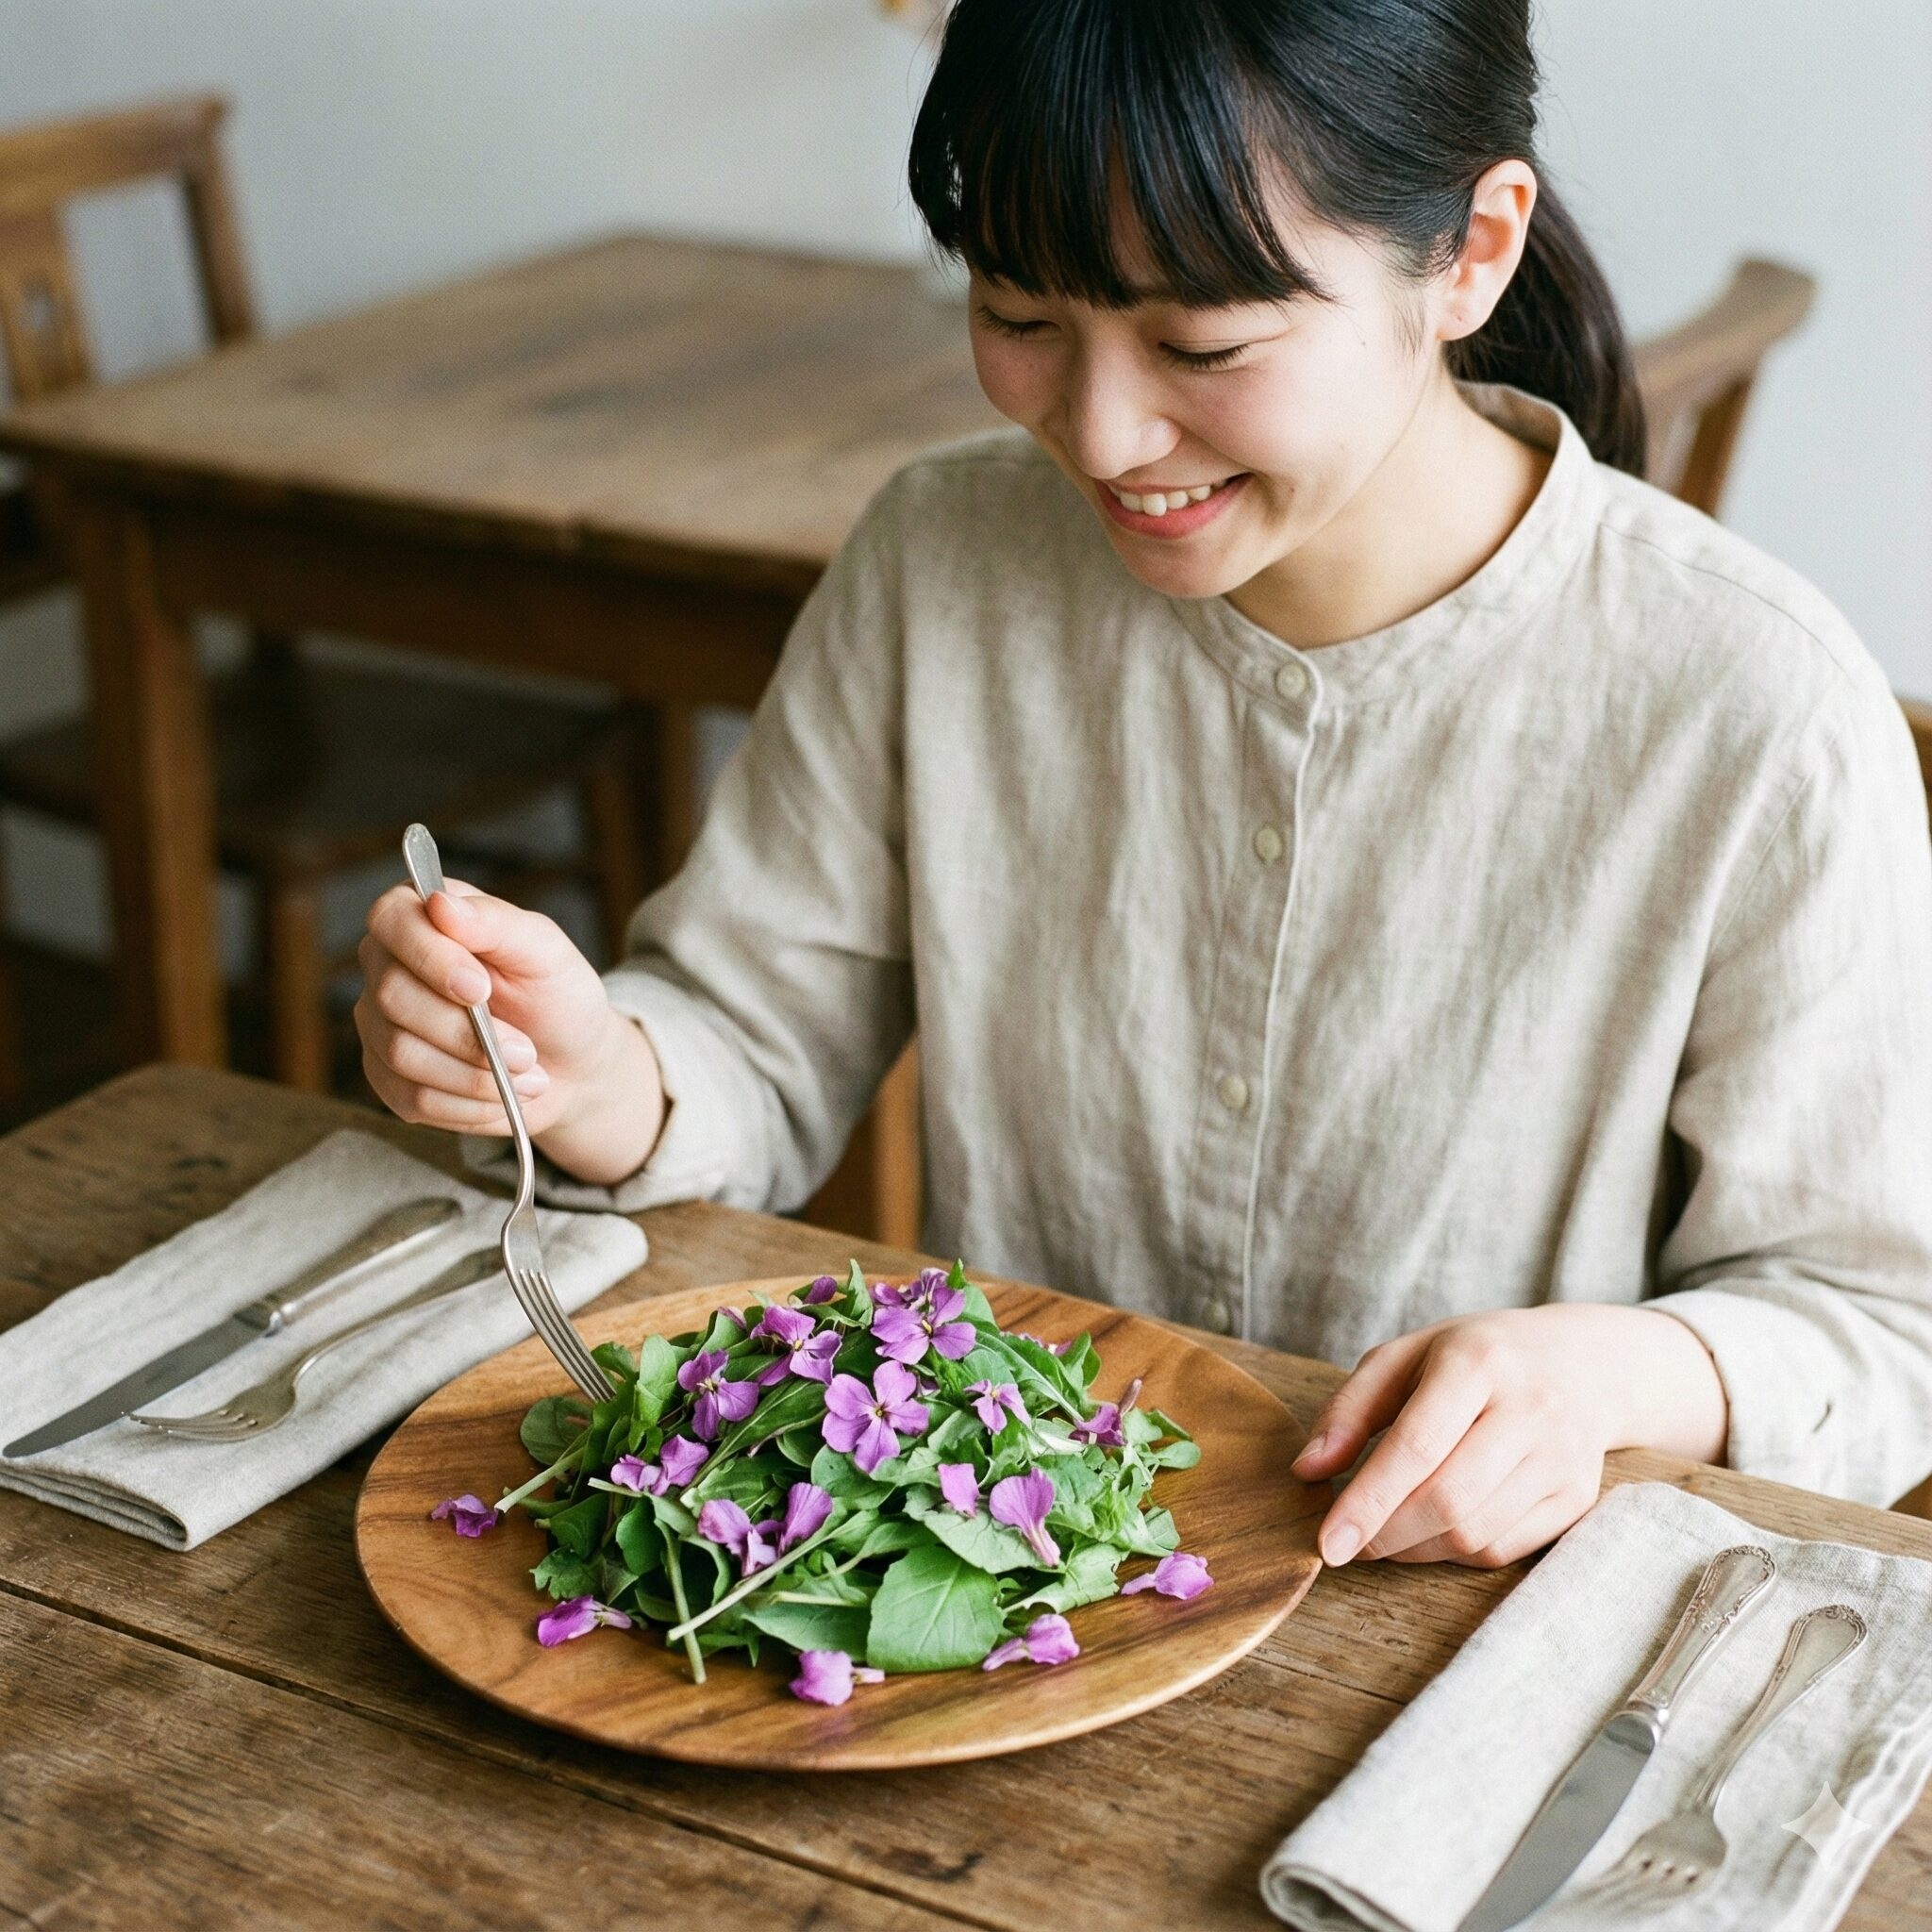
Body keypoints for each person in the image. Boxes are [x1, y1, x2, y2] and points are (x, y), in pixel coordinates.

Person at [355, 0, 1932, 1570]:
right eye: (1019, 315)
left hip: (1455, 1614)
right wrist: (587, 1074)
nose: (1104, 435)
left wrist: (1622, 1377)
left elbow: (1878, 1322)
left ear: (1473, 251)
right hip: (994, 1594)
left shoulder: (1752, 702)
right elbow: (752, 1040)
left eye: (1204, 345)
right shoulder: (939, 560)